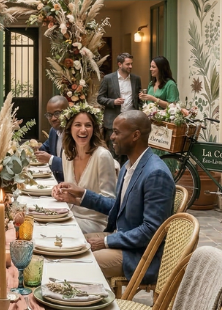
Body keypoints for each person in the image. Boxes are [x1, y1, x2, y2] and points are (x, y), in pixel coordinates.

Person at [54, 111, 174, 283]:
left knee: (78, 262)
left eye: (117, 132)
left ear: (135, 135)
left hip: (139, 254)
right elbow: (116, 207)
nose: (111, 137)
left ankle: (92, 304)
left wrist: (107, 241)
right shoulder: (128, 166)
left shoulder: (156, 174)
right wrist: (81, 195)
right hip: (122, 239)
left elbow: (151, 231)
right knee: (66, 245)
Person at [52, 103, 116, 234]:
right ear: (69, 129)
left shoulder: (102, 156)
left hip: (96, 222)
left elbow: (111, 204)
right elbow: (72, 192)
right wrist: (60, 190)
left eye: (88, 125)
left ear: (94, 129)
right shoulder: (67, 153)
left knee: (53, 231)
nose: (83, 130)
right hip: (70, 215)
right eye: (78, 125)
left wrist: (80, 194)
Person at [98, 53, 142, 153]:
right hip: (113, 121)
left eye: (131, 64)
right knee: (114, 151)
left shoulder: (136, 79)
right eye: (127, 64)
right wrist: (113, 101)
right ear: (119, 64)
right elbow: (100, 98)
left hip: (131, 122)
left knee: (129, 151)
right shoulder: (108, 79)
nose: (130, 66)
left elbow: (139, 100)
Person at [35, 95, 68, 183]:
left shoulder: (75, 135)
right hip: (56, 183)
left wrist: (50, 159)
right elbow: (45, 147)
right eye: (49, 115)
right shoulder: (53, 131)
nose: (53, 118)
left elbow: (73, 166)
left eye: (57, 113)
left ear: (68, 112)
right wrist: (34, 148)